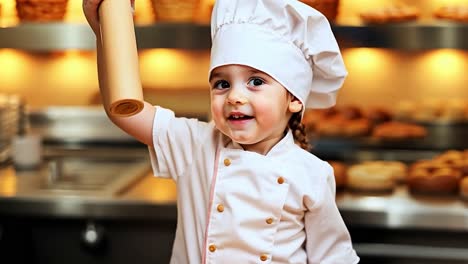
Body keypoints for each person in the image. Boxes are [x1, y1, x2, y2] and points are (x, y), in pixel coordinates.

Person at [83, 0, 359, 263]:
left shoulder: (312, 174)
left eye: (255, 81)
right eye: (222, 84)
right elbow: (124, 110)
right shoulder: (195, 145)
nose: (234, 97)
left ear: (295, 98)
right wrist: (104, 31)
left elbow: (333, 259)